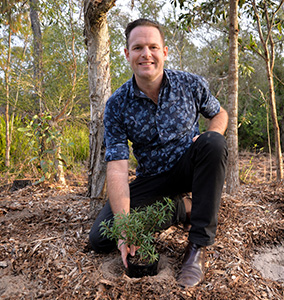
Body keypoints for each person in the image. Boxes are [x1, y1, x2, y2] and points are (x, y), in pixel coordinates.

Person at [89, 18, 228, 288]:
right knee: (100, 238)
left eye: (153, 46)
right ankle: (186, 208)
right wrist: (125, 229)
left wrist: (212, 133)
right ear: (127, 54)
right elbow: (117, 167)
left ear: (164, 52)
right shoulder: (117, 105)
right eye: (138, 47)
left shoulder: (190, 85)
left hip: (189, 168)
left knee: (213, 143)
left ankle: (197, 247)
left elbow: (219, 113)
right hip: (152, 179)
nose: (146, 54)